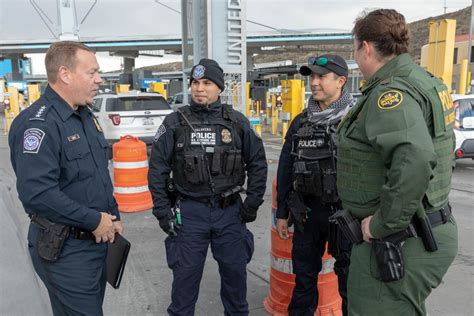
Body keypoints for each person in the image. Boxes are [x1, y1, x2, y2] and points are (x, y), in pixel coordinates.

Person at [336, 9, 458, 315]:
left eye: (355, 49)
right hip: (425, 226)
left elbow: (414, 160)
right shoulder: (424, 81)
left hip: (400, 238)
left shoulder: (390, 95)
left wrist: (380, 226)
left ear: (365, 47)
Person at [8, 41, 122, 316]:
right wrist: (95, 220)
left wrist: (111, 216)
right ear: (65, 74)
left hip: (95, 242)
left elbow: (94, 175)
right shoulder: (39, 124)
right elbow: (37, 193)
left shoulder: (84, 116)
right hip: (66, 250)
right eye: (92, 72)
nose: (99, 79)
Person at [148, 58, 268, 315]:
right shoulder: (174, 123)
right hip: (190, 214)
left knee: (236, 283)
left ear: (220, 88)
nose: (199, 88)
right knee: (184, 286)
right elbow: (157, 171)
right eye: (195, 82)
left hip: (230, 213)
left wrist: (252, 203)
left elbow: (258, 162)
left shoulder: (237, 123)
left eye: (207, 83)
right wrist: (162, 212)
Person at [276, 54, 355, 316]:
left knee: (349, 282)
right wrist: (282, 215)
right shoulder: (301, 122)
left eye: (321, 76)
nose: (314, 83)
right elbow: (286, 167)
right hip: (307, 213)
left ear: (341, 80)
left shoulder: (356, 120)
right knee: (304, 278)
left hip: (345, 214)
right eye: (312, 77)